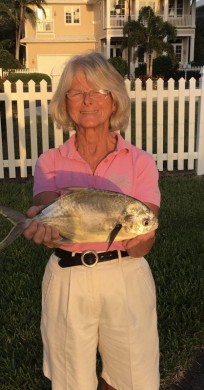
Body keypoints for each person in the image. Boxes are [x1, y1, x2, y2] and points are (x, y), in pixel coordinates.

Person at [23, 52, 161, 390]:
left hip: (126, 277)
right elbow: (49, 217)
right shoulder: (49, 162)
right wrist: (45, 232)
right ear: (65, 103)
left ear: (114, 100)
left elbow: (145, 237)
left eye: (98, 91)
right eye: (75, 92)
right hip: (68, 279)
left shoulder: (140, 162)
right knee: (71, 380)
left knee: (132, 377)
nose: (87, 100)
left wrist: (138, 239)